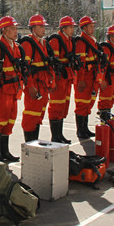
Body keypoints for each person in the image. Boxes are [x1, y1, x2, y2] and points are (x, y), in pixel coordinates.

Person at [0, 16, 24, 162]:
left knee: (8, 122)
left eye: (16, 28)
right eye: (13, 28)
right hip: (1, 92)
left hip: (12, 91)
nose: (16, 31)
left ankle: (5, 152)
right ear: (4, 30)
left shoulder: (16, 47)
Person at [20, 14, 55, 142]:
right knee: (31, 115)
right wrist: (30, 86)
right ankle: (29, 144)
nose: (44, 29)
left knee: (39, 115)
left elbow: (49, 64)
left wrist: (51, 82)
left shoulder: (44, 43)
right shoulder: (28, 44)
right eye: (41, 27)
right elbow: (25, 68)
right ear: (33, 28)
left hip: (43, 85)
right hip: (35, 85)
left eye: (44, 26)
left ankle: (34, 143)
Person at [47, 16, 78, 144]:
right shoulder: (56, 40)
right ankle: (55, 136)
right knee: (56, 106)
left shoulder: (69, 40)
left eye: (73, 27)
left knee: (63, 106)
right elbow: (53, 63)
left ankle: (60, 135)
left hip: (67, 78)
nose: (72, 29)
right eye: (70, 27)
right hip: (59, 78)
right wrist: (53, 81)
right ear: (63, 28)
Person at [73, 16, 105, 139]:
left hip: (92, 77)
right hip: (84, 78)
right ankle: (80, 130)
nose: (93, 28)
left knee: (88, 103)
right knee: (82, 104)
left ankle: (85, 128)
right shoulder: (82, 42)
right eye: (91, 26)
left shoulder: (92, 41)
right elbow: (80, 64)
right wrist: (80, 80)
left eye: (93, 26)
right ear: (84, 28)